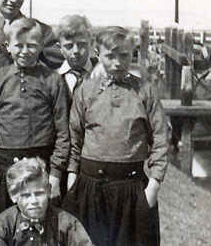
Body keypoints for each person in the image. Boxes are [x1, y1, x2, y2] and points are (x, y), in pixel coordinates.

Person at [63, 26, 168, 246]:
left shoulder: (144, 91)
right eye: (110, 56)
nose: (118, 62)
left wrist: (153, 186)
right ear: (98, 54)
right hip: (89, 188)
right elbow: (75, 135)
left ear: (133, 54)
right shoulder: (86, 90)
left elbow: (160, 138)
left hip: (131, 190)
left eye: (124, 55)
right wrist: (72, 177)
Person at [0, 17, 70, 215]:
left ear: (41, 46)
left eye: (31, 45)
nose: (24, 51)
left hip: (41, 167)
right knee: (7, 223)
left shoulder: (52, 79)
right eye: (19, 45)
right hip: (5, 166)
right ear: (8, 46)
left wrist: (55, 174)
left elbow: (63, 132)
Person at [0, 157, 93, 246]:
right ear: (13, 196)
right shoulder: (3, 225)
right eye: (26, 195)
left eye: (39, 193)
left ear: (49, 191)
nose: (34, 201)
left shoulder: (66, 223)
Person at [53, 14, 96, 97]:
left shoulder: (101, 74)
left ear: (91, 43)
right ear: (60, 48)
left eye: (81, 44)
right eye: (69, 46)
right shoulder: (52, 79)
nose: (76, 51)